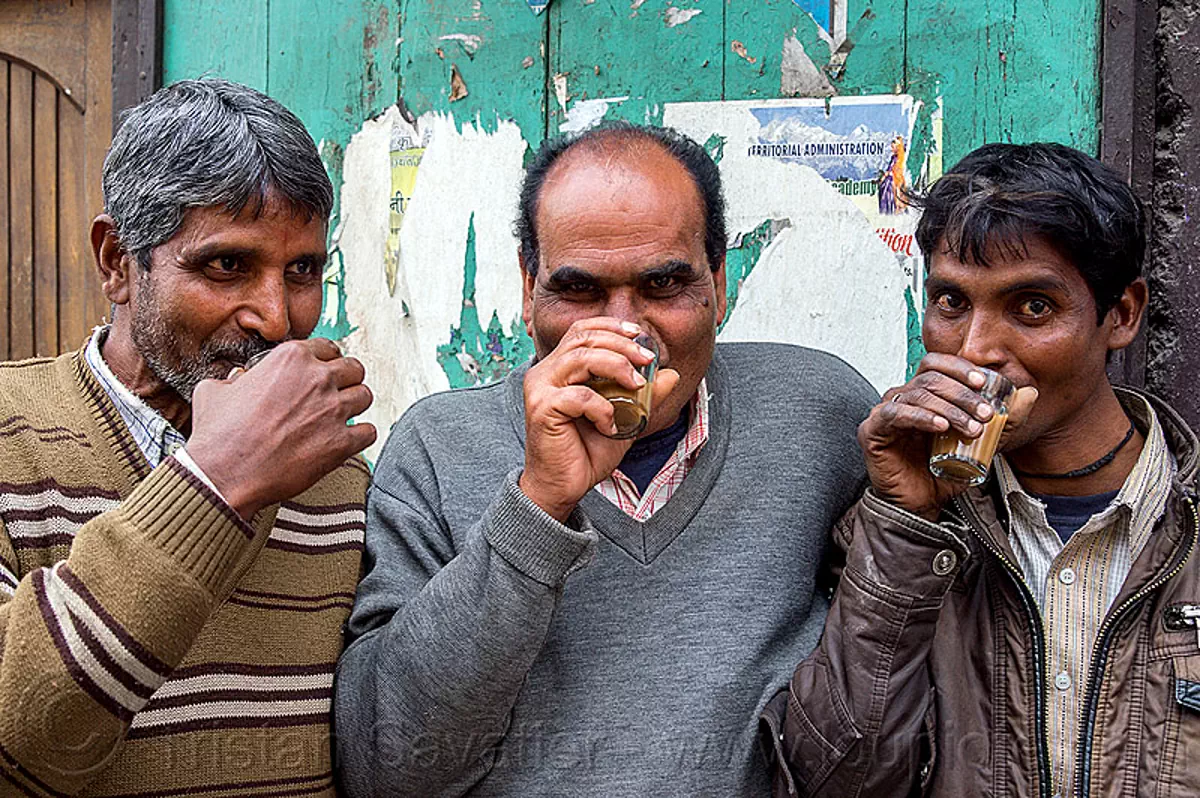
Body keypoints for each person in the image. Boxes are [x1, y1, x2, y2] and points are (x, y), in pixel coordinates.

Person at [334, 122, 878, 796]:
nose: (625, 329)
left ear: (719, 281)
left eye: (663, 284)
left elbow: (894, 673)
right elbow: (387, 770)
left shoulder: (819, 414)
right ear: (529, 287)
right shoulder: (437, 450)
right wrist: (537, 504)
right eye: (581, 290)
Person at [763, 142, 1200, 797]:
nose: (976, 351)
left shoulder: (1184, 529)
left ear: (1122, 314)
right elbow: (838, 781)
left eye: (1032, 307)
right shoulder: (892, 529)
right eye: (951, 303)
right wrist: (906, 523)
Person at [0, 79, 376, 797]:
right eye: (226, 265)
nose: (274, 316)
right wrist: (215, 484)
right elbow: (22, 746)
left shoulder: (338, 482)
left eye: (302, 271)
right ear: (118, 262)